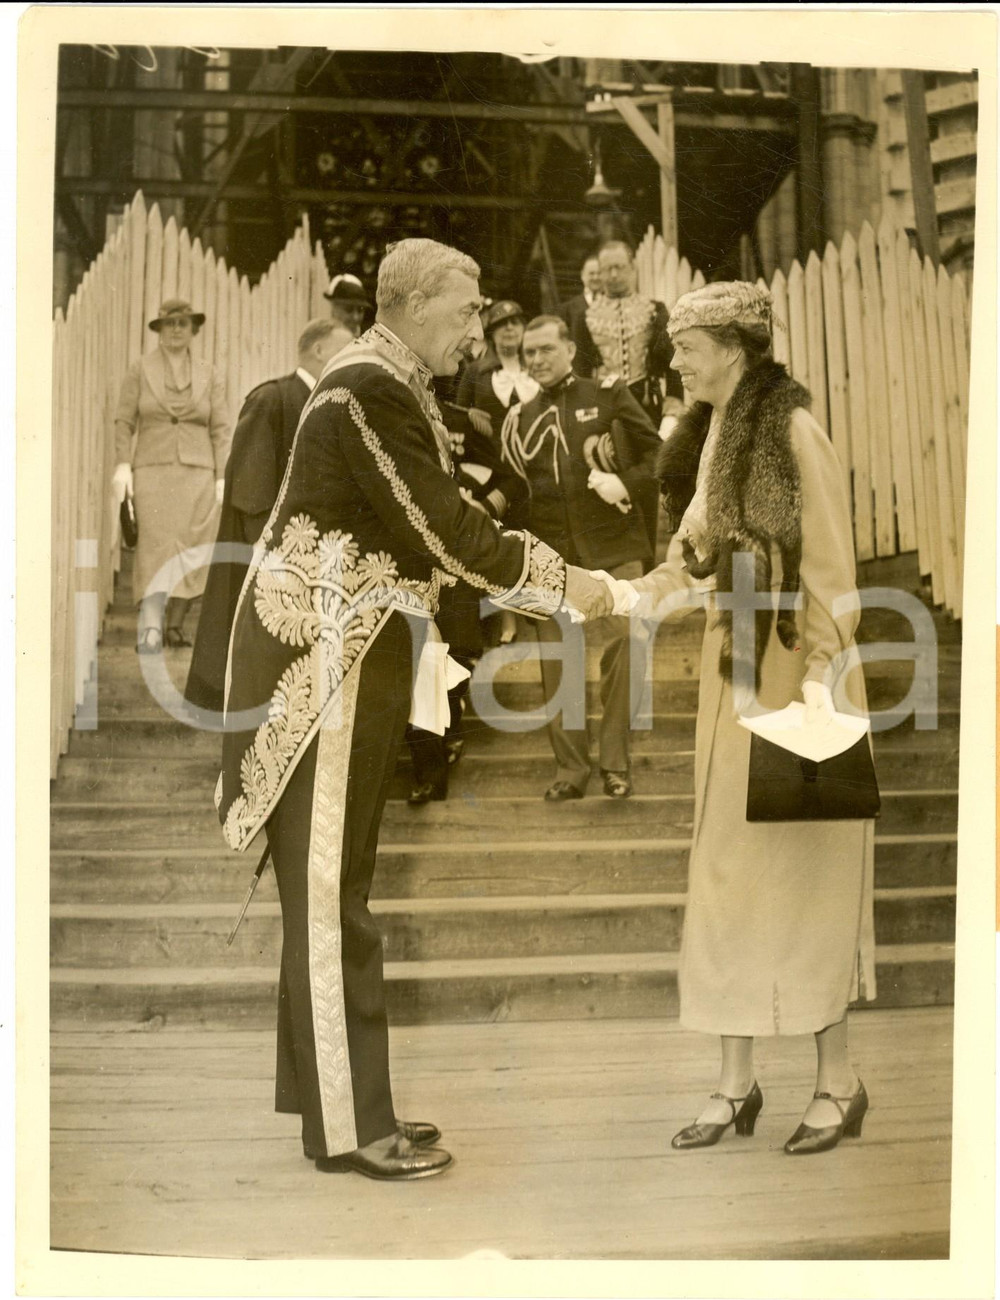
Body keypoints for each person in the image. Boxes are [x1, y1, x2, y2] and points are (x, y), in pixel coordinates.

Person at [217, 238, 611, 1181]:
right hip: (326, 667)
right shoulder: (366, 387)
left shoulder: (386, 383)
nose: (479, 330)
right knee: (330, 898)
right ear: (415, 303)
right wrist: (579, 586)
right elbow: (451, 533)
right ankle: (353, 1124)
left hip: (351, 656)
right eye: (468, 309)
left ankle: (337, 1103)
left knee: (332, 891)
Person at [609, 281, 876, 1155]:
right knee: (725, 876)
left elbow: (833, 572)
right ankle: (735, 1083)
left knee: (806, 883)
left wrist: (816, 690)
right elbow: (695, 555)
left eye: (687, 346)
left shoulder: (794, 430)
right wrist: (628, 594)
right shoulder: (717, 433)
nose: (675, 360)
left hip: (802, 673)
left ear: (732, 345)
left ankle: (838, 1082)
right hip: (736, 674)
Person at [500, 315, 660, 801]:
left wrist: (625, 484)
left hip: (613, 551)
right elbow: (517, 492)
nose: (537, 360)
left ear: (571, 349)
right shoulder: (521, 417)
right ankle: (570, 771)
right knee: (559, 662)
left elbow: (658, 455)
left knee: (622, 654)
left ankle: (615, 764)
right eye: (530, 353)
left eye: (547, 349)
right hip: (551, 558)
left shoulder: (607, 395)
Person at [183, 318, 354, 713]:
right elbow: (251, 488)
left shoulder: (330, 400)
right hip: (271, 555)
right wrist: (275, 555)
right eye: (344, 349)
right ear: (319, 351)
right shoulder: (272, 399)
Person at [404, 409, 528, 805]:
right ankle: (429, 771)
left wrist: (482, 509)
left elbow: (508, 480)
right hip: (410, 568)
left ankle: (451, 734)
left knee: (454, 656)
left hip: (455, 572)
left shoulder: (464, 435)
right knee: (420, 667)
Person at [111, 299, 230, 653]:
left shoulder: (210, 373)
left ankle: (175, 625)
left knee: (194, 549)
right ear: (159, 330)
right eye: (169, 323)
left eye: (183, 323)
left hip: (198, 475)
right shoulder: (140, 369)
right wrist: (122, 464)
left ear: (194, 329)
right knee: (154, 549)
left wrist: (222, 476)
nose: (176, 329)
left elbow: (221, 429)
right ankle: (150, 628)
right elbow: (124, 420)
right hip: (152, 472)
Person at [583, 240, 684, 425]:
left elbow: (673, 360)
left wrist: (672, 409)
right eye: (607, 269)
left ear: (632, 268)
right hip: (604, 405)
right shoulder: (587, 315)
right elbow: (580, 368)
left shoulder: (654, 310)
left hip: (647, 403)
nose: (614, 274)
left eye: (619, 267)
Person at [455, 299, 539, 436]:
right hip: (487, 453)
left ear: (524, 329)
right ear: (492, 333)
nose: (509, 328)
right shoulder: (475, 371)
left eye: (515, 323)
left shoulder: (538, 367)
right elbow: (462, 418)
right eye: (502, 324)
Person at [557, 254, 603, 377]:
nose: (595, 277)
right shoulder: (568, 309)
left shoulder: (612, 305)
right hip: (580, 372)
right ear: (582, 275)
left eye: (599, 273)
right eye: (591, 273)